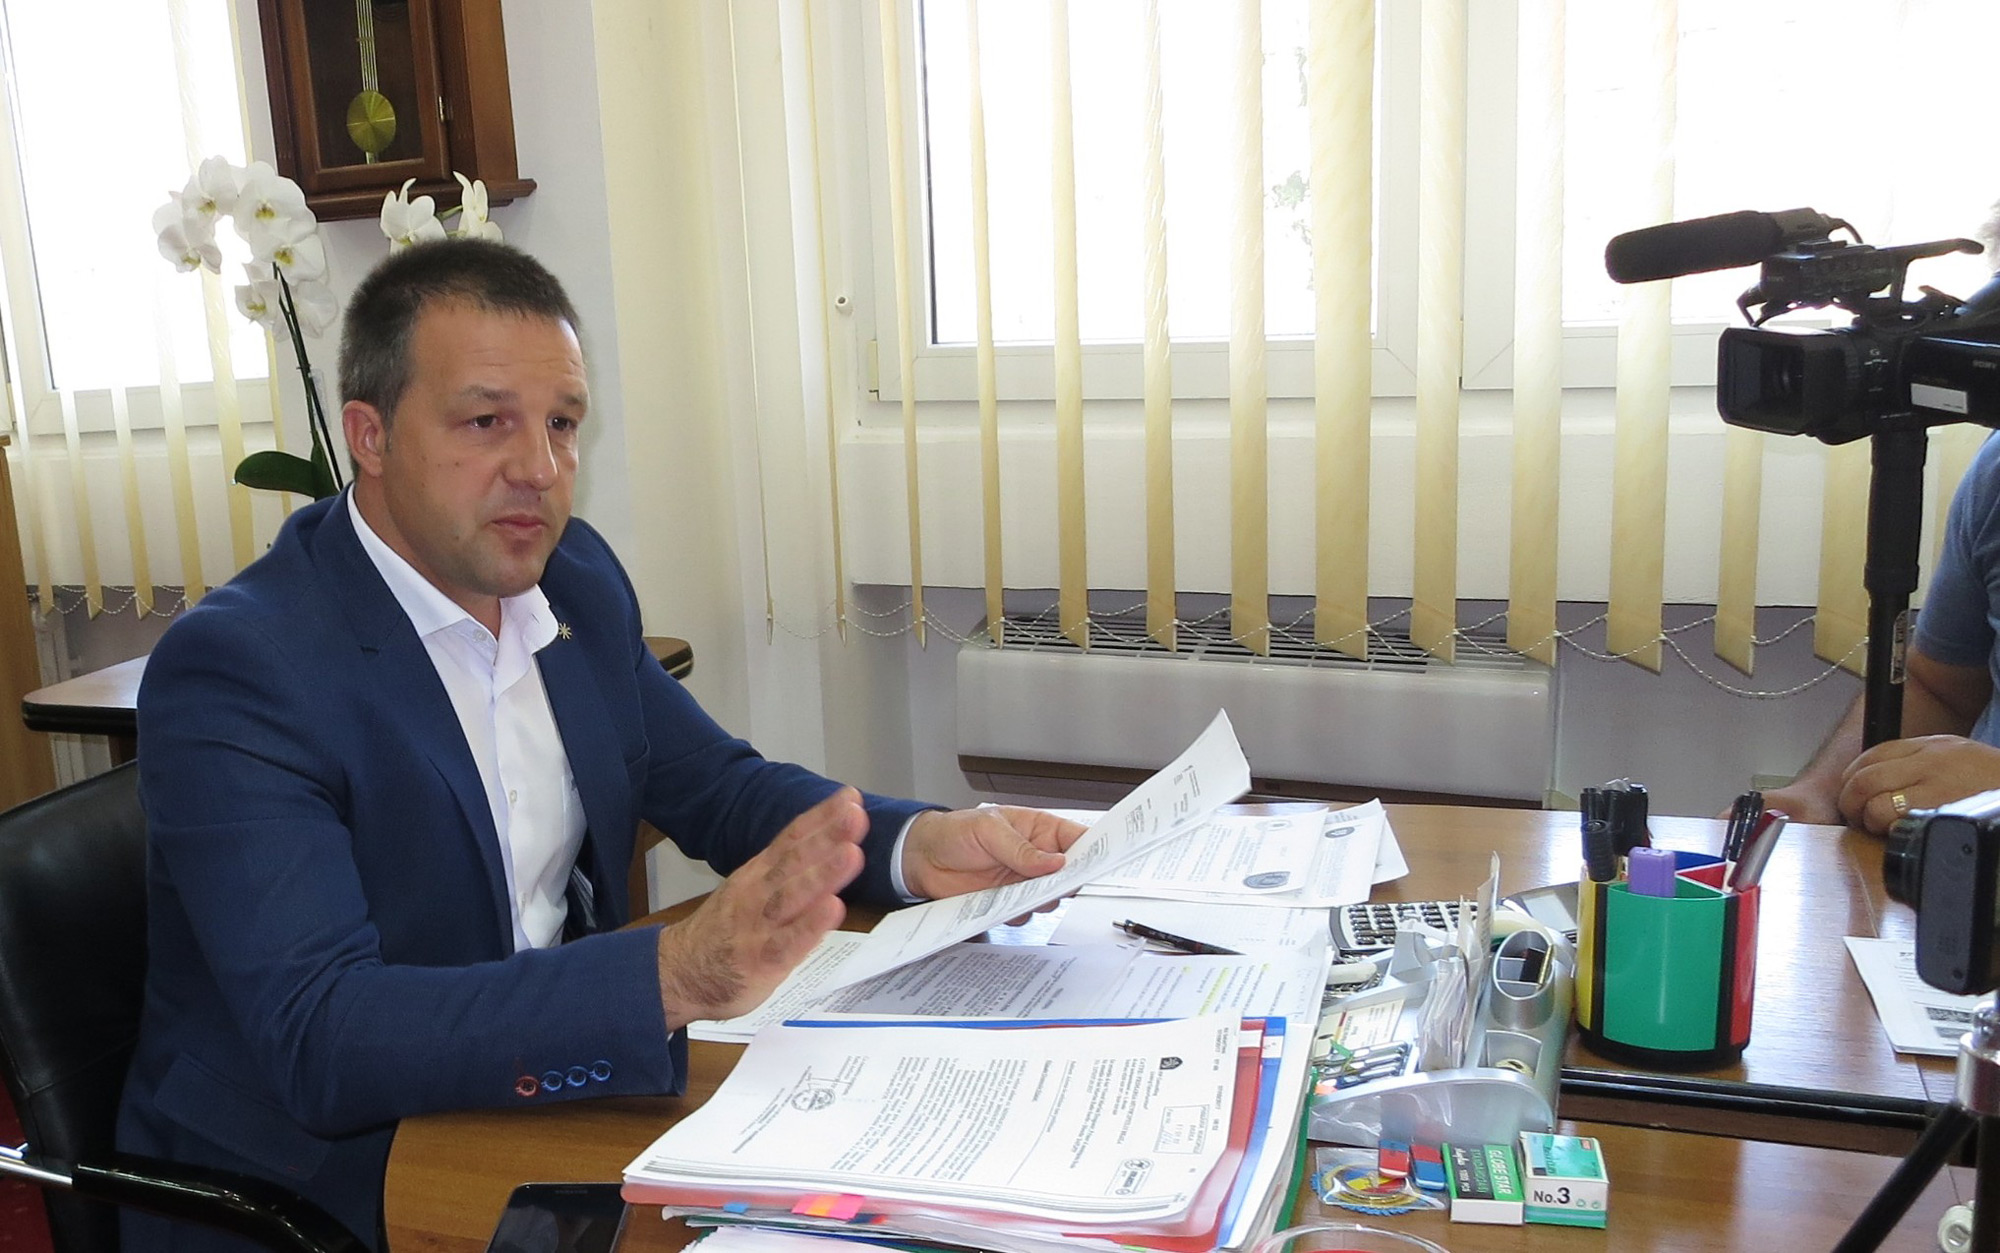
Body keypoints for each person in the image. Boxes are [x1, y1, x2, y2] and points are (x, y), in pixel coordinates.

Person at [115, 238, 1083, 1251]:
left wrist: (915, 844)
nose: (539, 469)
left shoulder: (569, 576)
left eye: (562, 423)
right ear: (370, 435)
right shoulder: (243, 667)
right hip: (318, 1184)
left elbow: (716, 787)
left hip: (531, 1097)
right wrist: (675, 974)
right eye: (486, 421)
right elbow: (323, 1034)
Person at [1761, 431, 2000, 835]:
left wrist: (1992, 796)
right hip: (1961, 855)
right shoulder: (1995, 470)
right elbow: (1941, 690)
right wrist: (1821, 795)